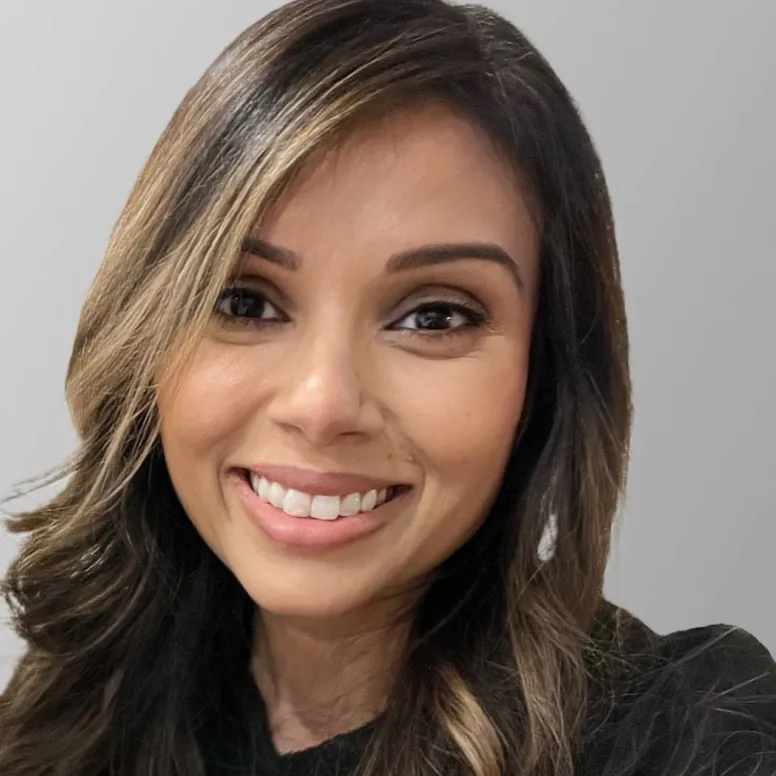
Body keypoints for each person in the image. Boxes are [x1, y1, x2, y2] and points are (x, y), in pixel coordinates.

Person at [1, 0, 774, 774]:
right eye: (244, 302)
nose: (322, 402)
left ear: (544, 376)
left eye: (434, 316)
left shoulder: (692, 731)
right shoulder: (63, 710)